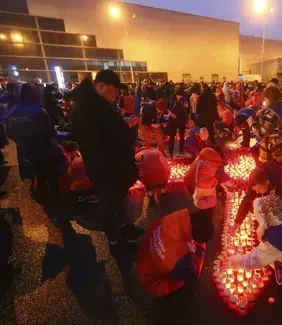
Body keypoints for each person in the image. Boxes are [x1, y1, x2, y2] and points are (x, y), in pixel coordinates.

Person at [70, 70, 143, 246]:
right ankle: (115, 239)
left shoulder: (99, 103)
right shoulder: (85, 107)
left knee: (117, 199)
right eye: (114, 90)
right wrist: (123, 130)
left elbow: (109, 129)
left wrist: (124, 126)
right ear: (101, 86)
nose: (116, 94)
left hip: (115, 165)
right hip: (104, 167)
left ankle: (123, 226)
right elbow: (96, 139)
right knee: (109, 202)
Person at [7, 83, 65, 203]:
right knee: (52, 176)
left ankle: (43, 200)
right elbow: (49, 131)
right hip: (45, 150)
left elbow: (10, 133)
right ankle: (55, 201)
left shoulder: (13, 112)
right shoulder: (39, 111)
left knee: (39, 175)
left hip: (27, 152)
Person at [137, 207, 214, 297]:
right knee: (186, 281)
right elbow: (193, 273)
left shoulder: (176, 217)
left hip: (145, 257)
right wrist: (201, 247)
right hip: (153, 282)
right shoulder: (179, 258)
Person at [249, 86, 282, 166]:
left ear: (270, 99)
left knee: (254, 150)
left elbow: (261, 133)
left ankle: (264, 170)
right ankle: (279, 170)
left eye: (266, 99)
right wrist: (264, 111)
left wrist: (250, 123)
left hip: (277, 147)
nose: (265, 101)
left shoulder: (272, 113)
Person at [183, 147, 232, 216]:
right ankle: (205, 216)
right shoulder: (216, 165)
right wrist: (233, 184)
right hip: (201, 187)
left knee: (197, 197)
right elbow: (226, 181)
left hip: (189, 181)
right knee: (205, 204)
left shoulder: (203, 157)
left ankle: (197, 209)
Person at [168, 88, 191, 157]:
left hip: (182, 120)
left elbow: (188, 109)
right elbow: (167, 108)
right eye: (179, 95)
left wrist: (188, 119)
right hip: (173, 120)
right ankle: (170, 151)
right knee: (172, 136)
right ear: (176, 94)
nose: (180, 97)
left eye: (181, 96)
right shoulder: (171, 99)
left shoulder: (184, 99)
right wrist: (171, 113)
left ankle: (181, 150)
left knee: (182, 136)